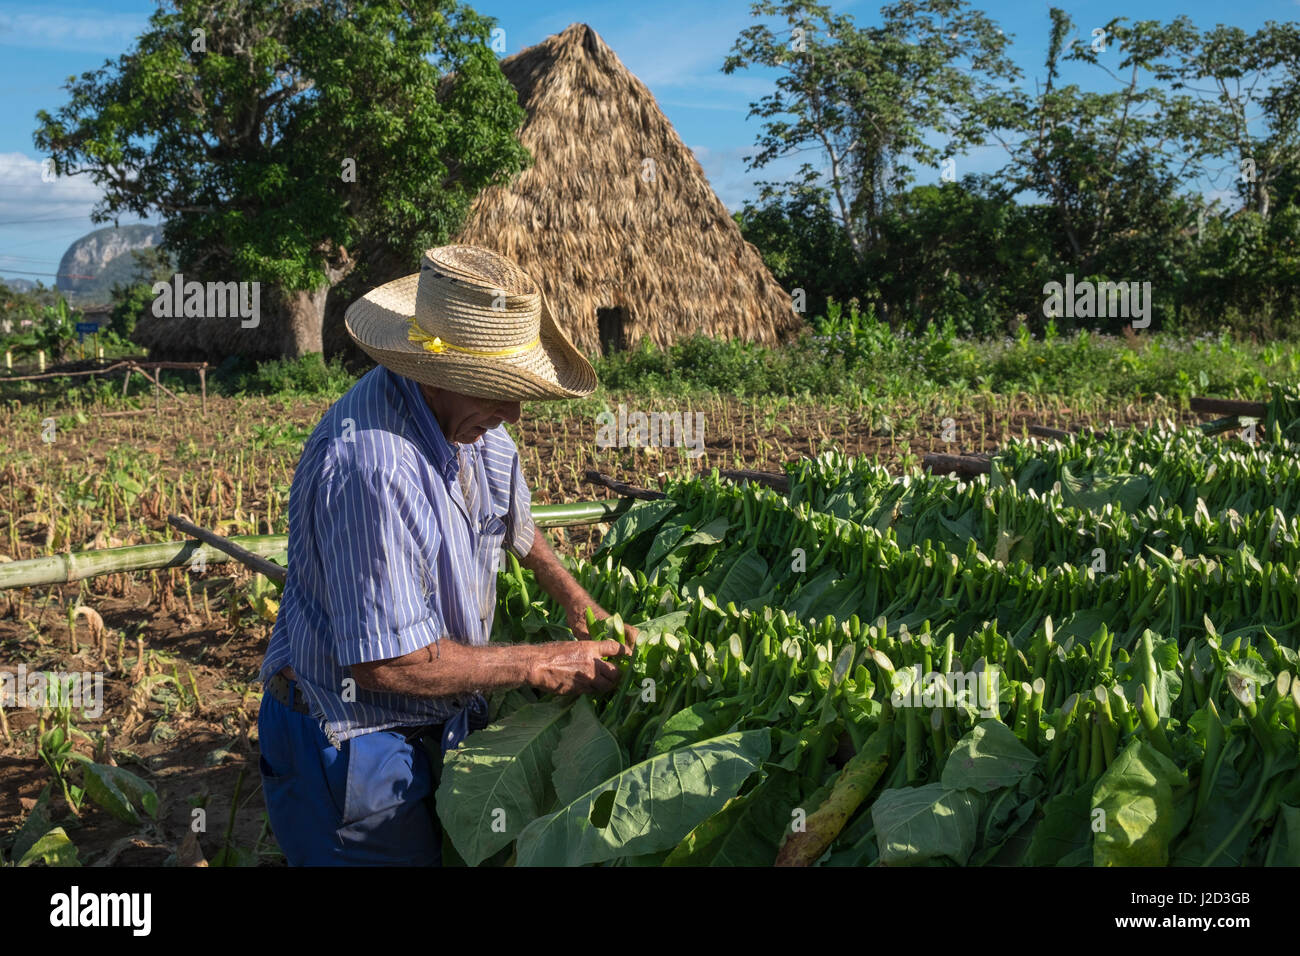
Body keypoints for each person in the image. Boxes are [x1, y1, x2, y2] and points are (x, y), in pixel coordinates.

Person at [256, 244, 635, 865]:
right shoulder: (373, 467)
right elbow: (386, 666)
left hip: (428, 721)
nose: (512, 411)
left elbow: (515, 524)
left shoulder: (473, 421)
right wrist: (540, 663)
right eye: (495, 391)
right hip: (353, 741)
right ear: (438, 374)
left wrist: (574, 597)